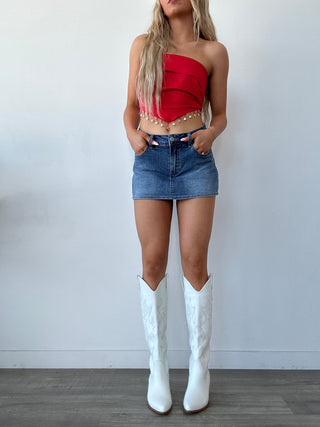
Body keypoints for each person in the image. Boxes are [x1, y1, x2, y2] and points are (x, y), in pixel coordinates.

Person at [123, 0, 229, 415]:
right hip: (149, 158)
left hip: (194, 158)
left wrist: (211, 134)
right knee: (152, 262)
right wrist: (132, 133)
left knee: (193, 262)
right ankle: (158, 369)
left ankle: (200, 368)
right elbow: (129, 107)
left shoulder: (213, 52)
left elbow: (220, 114)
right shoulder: (143, 44)